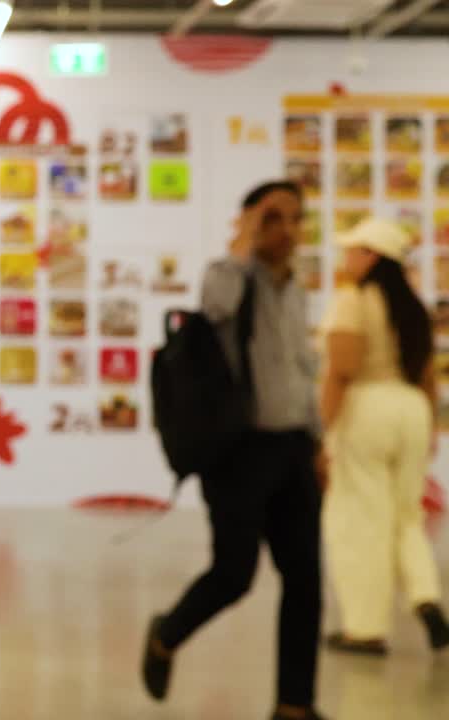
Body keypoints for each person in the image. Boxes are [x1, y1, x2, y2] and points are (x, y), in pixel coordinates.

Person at [142, 181, 328, 720]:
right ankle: (166, 635)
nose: (287, 230)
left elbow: (302, 371)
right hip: (240, 453)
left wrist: (317, 443)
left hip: (293, 446)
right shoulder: (228, 277)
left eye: (295, 218)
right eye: (274, 217)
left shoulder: (296, 290)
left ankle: (295, 704)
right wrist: (244, 240)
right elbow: (215, 305)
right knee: (234, 574)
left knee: (306, 577)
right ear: (249, 221)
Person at [319, 217, 449, 656]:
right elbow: (427, 376)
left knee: (360, 522)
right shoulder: (414, 309)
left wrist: (324, 432)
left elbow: (341, 370)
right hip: (410, 410)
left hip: (366, 411)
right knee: (405, 516)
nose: (347, 258)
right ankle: (425, 597)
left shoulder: (352, 302)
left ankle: (365, 627)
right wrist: (430, 425)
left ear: (371, 256)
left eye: (354, 250)